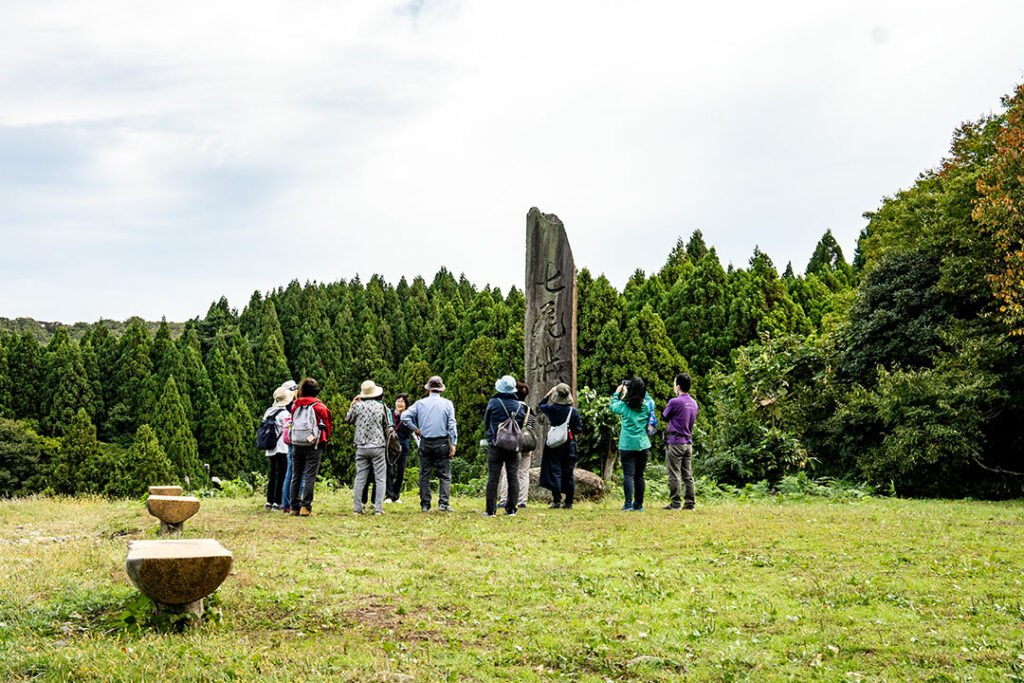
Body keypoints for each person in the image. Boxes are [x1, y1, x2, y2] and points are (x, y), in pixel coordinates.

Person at [401, 376, 458, 512]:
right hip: (442, 442)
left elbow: (404, 416)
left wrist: (415, 428)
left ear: (428, 390)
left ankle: (425, 505)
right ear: (441, 390)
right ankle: (443, 504)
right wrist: (454, 442)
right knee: (444, 475)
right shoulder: (448, 403)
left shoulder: (420, 403)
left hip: (425, 442)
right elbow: (451, 424)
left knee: (424, 474)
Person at [483, 375, 528, 517]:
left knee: (493, 477)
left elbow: (486, 421)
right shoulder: (520, 406)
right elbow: (521, 426)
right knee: (513, 476)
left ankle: (490, 511)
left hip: (495, 444)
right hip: (513, 446)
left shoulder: (493, 402)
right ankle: (511, 509)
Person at [288, 377, 332, 517]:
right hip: (313, 444)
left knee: (296, 475)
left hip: (296, 442)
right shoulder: (319, 407)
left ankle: (294, 507)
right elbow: (327, 424)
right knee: (309, 475)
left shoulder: (296, 406)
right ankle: (305, 507)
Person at [610, 377, 655, 512]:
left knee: (628, 475)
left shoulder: (623, 407)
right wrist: (642, 390)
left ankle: (628, 504)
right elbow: (651, 400)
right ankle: (639, 504)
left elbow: (612, 406)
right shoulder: (647, 405)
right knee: (639, 476)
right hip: (642, 445)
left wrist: (617, 392)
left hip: (627, 445)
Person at [346, 380, 389, 515]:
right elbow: (386, 424)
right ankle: (378, 508)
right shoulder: (381, 407)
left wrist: (352, 405)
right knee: (380, 478)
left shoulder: (358, 406)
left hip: (361, 445)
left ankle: (358, 508)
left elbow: (348, 420)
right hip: (378, 444)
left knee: (360, 477)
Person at [538, 383, 583, 509]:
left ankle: (556, 500)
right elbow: (579, 429)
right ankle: (569, 502)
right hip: (569, 444)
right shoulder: (573, 411)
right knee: (568, 473)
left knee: (555, 471)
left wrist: (548, 394)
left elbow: (541, 405)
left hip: (554, 445)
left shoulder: (552, 409)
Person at [662, 372, 699, 510]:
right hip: (688, 442)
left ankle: (676, 503)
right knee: (688, 475)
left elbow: (665, 416)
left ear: (678, 386)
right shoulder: (694, 403)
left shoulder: (674, 402)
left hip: (675, 441)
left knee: (674, 473)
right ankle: (690, 503)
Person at [498, 382, 535, 510]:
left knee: (507, 473)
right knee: (524, 473)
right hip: (526, 444)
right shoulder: (530, 410)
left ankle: (503, 500)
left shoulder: (510, 408)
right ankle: (522, 501)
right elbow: (532, 429)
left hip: (511, 444)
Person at [262, 386, 291, 510]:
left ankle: (269, 500)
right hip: (282, 447)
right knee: (282, 475)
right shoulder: (285, 414)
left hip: (270, 447)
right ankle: (278, 502)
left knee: (273, 474)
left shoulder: (269, 411)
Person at [385, 393, 413, 503]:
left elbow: (410, 430)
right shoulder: (390, 414)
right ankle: (389, 495)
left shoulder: (409, 416)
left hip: (403, 446)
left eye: (402, 401)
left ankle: (396, 495)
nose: (399, 403)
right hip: (391, 446)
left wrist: (404, 418)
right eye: (398, 401)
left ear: (406, 404)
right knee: (389, 471)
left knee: (401, 472)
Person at [278, 380, 299, 514]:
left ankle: (286, 503)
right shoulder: (290, 406)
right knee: (293, 473)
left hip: (287, 442)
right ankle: (290, 503)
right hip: (292, 442)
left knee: (289, 473)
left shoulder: (286, 405)